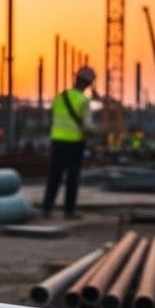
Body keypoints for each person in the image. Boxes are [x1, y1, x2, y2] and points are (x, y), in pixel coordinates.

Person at [41, 66, 95, 218]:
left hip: (57, 141)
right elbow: (88, 126)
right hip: (74, 143)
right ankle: (69, 211)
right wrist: (95, 132)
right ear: (88, 84)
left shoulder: (60, 97)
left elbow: (52, 118)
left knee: (54, 176)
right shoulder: (83, 100)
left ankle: (47, 208)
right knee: (72, 177)